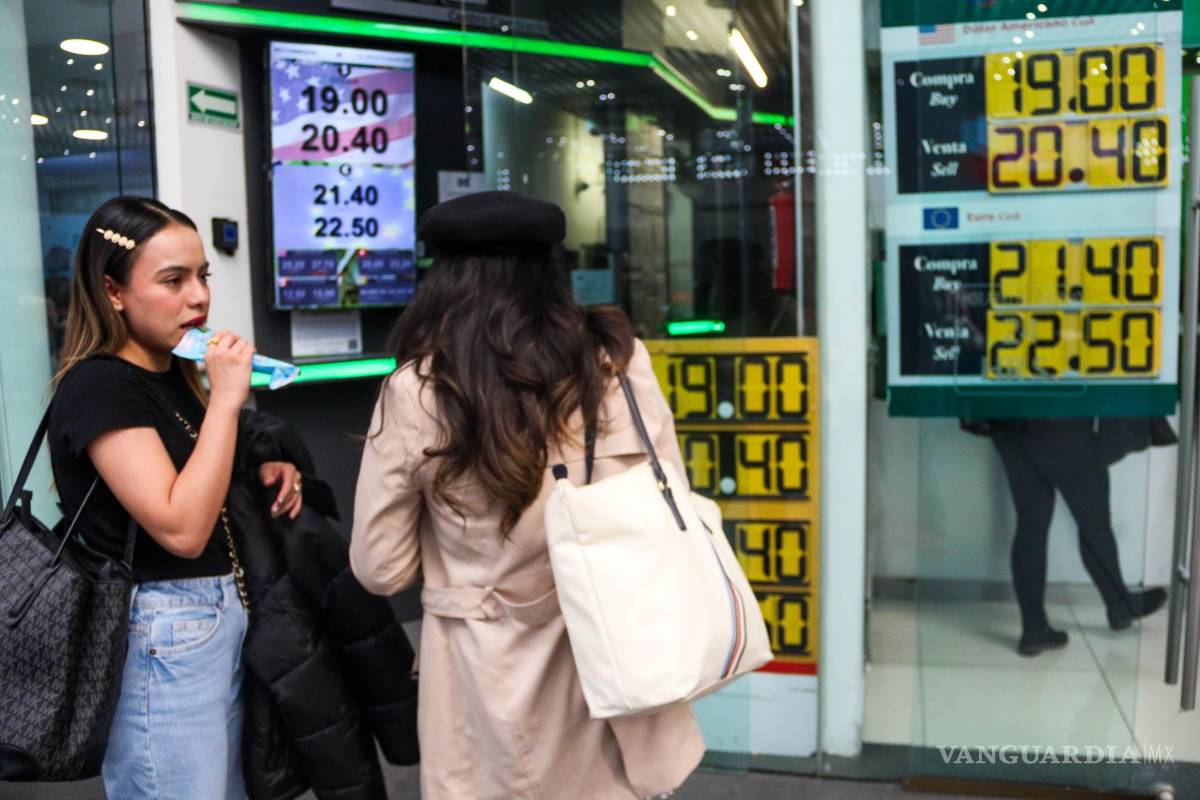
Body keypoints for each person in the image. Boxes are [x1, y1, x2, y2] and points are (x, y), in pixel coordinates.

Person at [351, 191, 705, 800]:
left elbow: (380, 568)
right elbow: (668, 494)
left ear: (444, 280)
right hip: (616, 663)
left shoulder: (419, 389)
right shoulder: (617, 362)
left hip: (483, 679)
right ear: (551, 271)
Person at [48, 196, 303, 799]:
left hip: (207, 620)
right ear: (113, 291)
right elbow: (182, 528)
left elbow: (197, 472)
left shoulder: (167, 371)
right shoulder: (101, 384)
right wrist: (226, 400)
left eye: (202, 276)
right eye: (173, 280)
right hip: (164, 627)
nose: (200, 297)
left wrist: (261, 459)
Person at [984, 417, 1172, 656]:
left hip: (1011, 421)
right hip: (1061, 418)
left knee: (1031, 525)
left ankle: (1034, 629)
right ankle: (1120, 606)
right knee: (1094, 522)